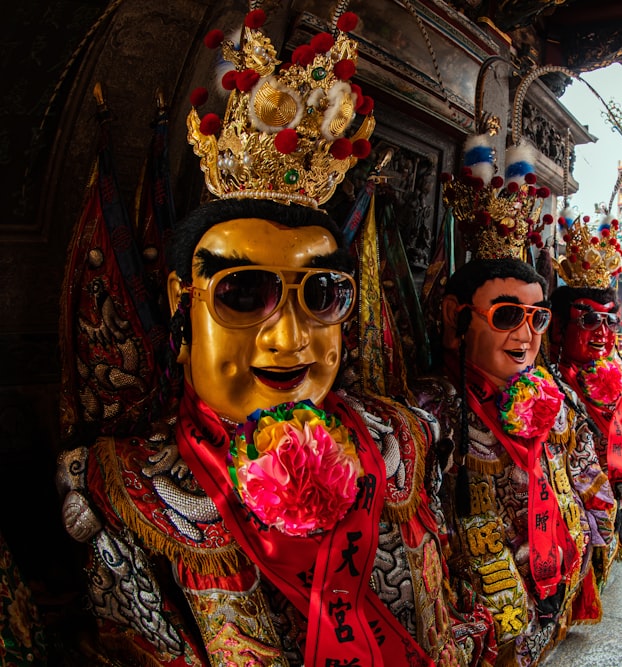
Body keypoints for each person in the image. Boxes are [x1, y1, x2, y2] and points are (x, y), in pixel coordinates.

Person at [56, 12, 480, 666]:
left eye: (320, 295)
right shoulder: (129, 488)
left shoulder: (401, 442)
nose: (289, 340)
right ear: (181, 302)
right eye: (243, 294)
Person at [418, 138, 616, 664]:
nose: (526, 335)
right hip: (481, 599)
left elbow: (581, 469)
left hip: (551, 569)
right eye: (507, 315)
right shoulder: (430, 414)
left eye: (538, 318)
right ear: (457, 320)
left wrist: (596, 521)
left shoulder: (554, 396)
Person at [549, 220, 622, 568]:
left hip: (616, 486)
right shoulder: (549, 382)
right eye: (589, 320)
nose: (602, 333)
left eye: (610, 321)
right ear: (559, 325)